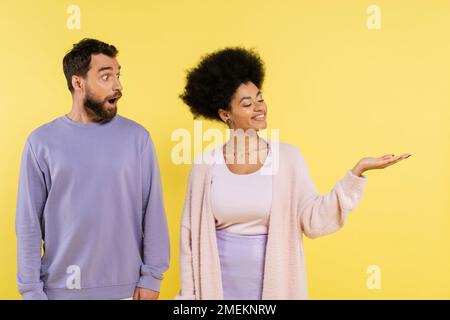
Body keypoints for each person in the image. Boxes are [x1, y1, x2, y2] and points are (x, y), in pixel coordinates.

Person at [176, 47, 411, 299]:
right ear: (225, 115)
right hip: (217, 291)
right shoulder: (205, 165)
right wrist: (189, 297)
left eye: (260, 98)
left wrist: (357, 172)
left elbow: (313, 220)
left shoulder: (287, 159)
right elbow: (190, 239)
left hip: (276, 289)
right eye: (247, 103)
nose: (259, 107)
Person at [15, 38, 170, 300]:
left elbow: (152, 211)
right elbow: (28, 223)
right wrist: (32, 292)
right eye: (106, 77)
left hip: (128, 292)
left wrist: (152, 278)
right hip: (58, 292)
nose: (118, 86)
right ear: (78, 83)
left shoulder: (137, 138)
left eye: (118, 76)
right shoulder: (41, 142)